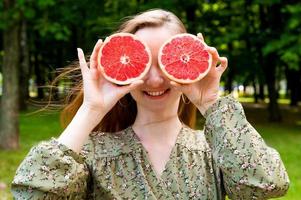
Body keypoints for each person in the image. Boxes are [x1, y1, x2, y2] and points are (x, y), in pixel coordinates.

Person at [12, 9, 289, 199]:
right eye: (143, 64)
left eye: (165, 63)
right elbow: (32, 193)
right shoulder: (92, 153)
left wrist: (211, 103)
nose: (155, 79)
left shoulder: (213, 151)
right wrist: (91, 110)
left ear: (186, 66)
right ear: (125, 68)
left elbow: (266, 185)